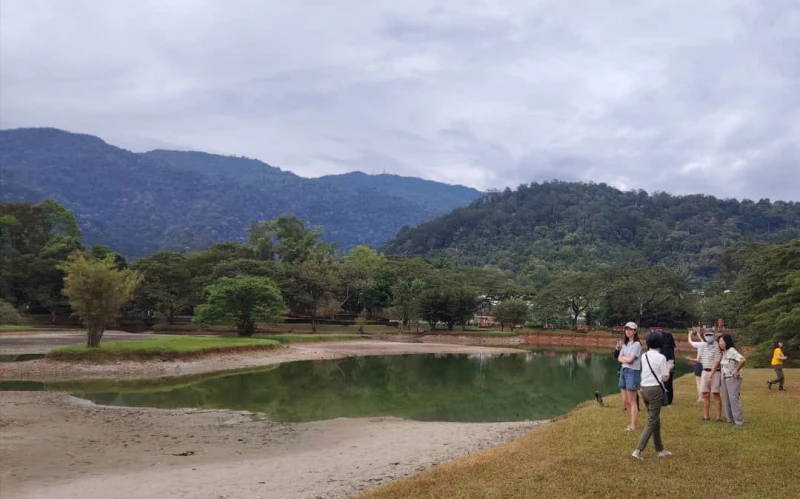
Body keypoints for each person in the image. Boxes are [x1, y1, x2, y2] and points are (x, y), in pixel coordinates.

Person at [632, 332, 672, 460]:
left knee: (655, 420)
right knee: (651, 421)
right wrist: (669, 368)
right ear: (661, 343)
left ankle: (660, 449)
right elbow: (665, 378)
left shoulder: (644, 356)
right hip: (655, 390)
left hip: (644, 389)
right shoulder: (661, 358)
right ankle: (638, 450)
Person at [715, 334, 746, 425]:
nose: (720, 343)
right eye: (719, 341)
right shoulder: (724, 352)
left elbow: (742, 360)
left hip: (732, 378)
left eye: (722, 341)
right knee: (726, 399)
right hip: (724, 378)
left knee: (733, 398)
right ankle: (730, 419)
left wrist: (737, 370)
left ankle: (739, 421)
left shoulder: (732, 350)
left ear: (727, 342)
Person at [617, 322, 642, 432]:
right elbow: (619, 358)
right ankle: (630, 422)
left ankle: (633, 425)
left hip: (632, 372)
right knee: (625, 400)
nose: (628, 331)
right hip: (623, 371)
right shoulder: (625, 344)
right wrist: (625, 359)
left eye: (630, 329)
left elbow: (631, 360)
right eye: (626, 329)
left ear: (635, 331)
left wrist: (625, 359)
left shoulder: (637, 344)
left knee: (632, 401)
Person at [698, 328, 723, 421]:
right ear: (704, 336)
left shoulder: (717, 346)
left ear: (714, 335)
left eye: (710, 335)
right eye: (706, 335)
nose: (708, 337)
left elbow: (717, 361)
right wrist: (693, 360)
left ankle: (719, 417)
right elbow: (700, 359)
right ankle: (706, 415)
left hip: (715, 372)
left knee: (715, 393)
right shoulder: (703, 346)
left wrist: (711, 374)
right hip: (704, 371)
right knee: (705, 394)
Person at [614, 338, 640, 412]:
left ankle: (635, 405)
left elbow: (630, 359)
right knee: (624, 388)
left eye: (621, 341)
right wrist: (617, 348)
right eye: (619, 341)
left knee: (632, 388)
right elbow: (616, 357)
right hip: (621, 370)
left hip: (631, 370)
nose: (620, 343)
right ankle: (626, 406)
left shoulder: (631, 348)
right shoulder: (621, 349)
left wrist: (623, 358)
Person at [686, 329, 705, 402]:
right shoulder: (711, 344)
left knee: (699, 382)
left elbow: (690, 342)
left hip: (699, 364)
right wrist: (699, 335)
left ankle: (700, 397)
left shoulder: (700, 345)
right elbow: (703, 340)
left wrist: (689, 335)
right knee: (704, 382)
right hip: (707, 364)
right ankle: (705, 396)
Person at [661, 331, 676, 405]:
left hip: (666, 367)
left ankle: (666, 400)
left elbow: (668, 358)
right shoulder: (671, 346)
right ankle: (669, 400)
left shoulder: (665, 346)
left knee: (665, 385)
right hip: (670, 366)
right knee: (669, 384)